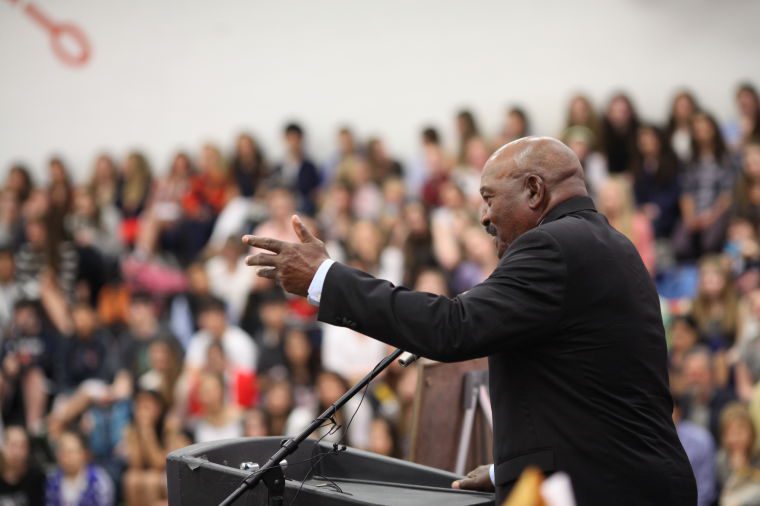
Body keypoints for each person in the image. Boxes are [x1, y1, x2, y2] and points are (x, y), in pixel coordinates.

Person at [243, 136, 696, 505]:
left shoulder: (552, 248)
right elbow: (590, 397)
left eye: (489, 198)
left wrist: (325, 277)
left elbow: (452, 326)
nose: (483, 216)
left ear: (535, 192)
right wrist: (510, 470)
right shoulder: (609, 245)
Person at [0, 426, 46, 506]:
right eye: (13, 446)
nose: (18, 452)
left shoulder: (37, 478)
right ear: (3, 448)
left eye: (22, 446)